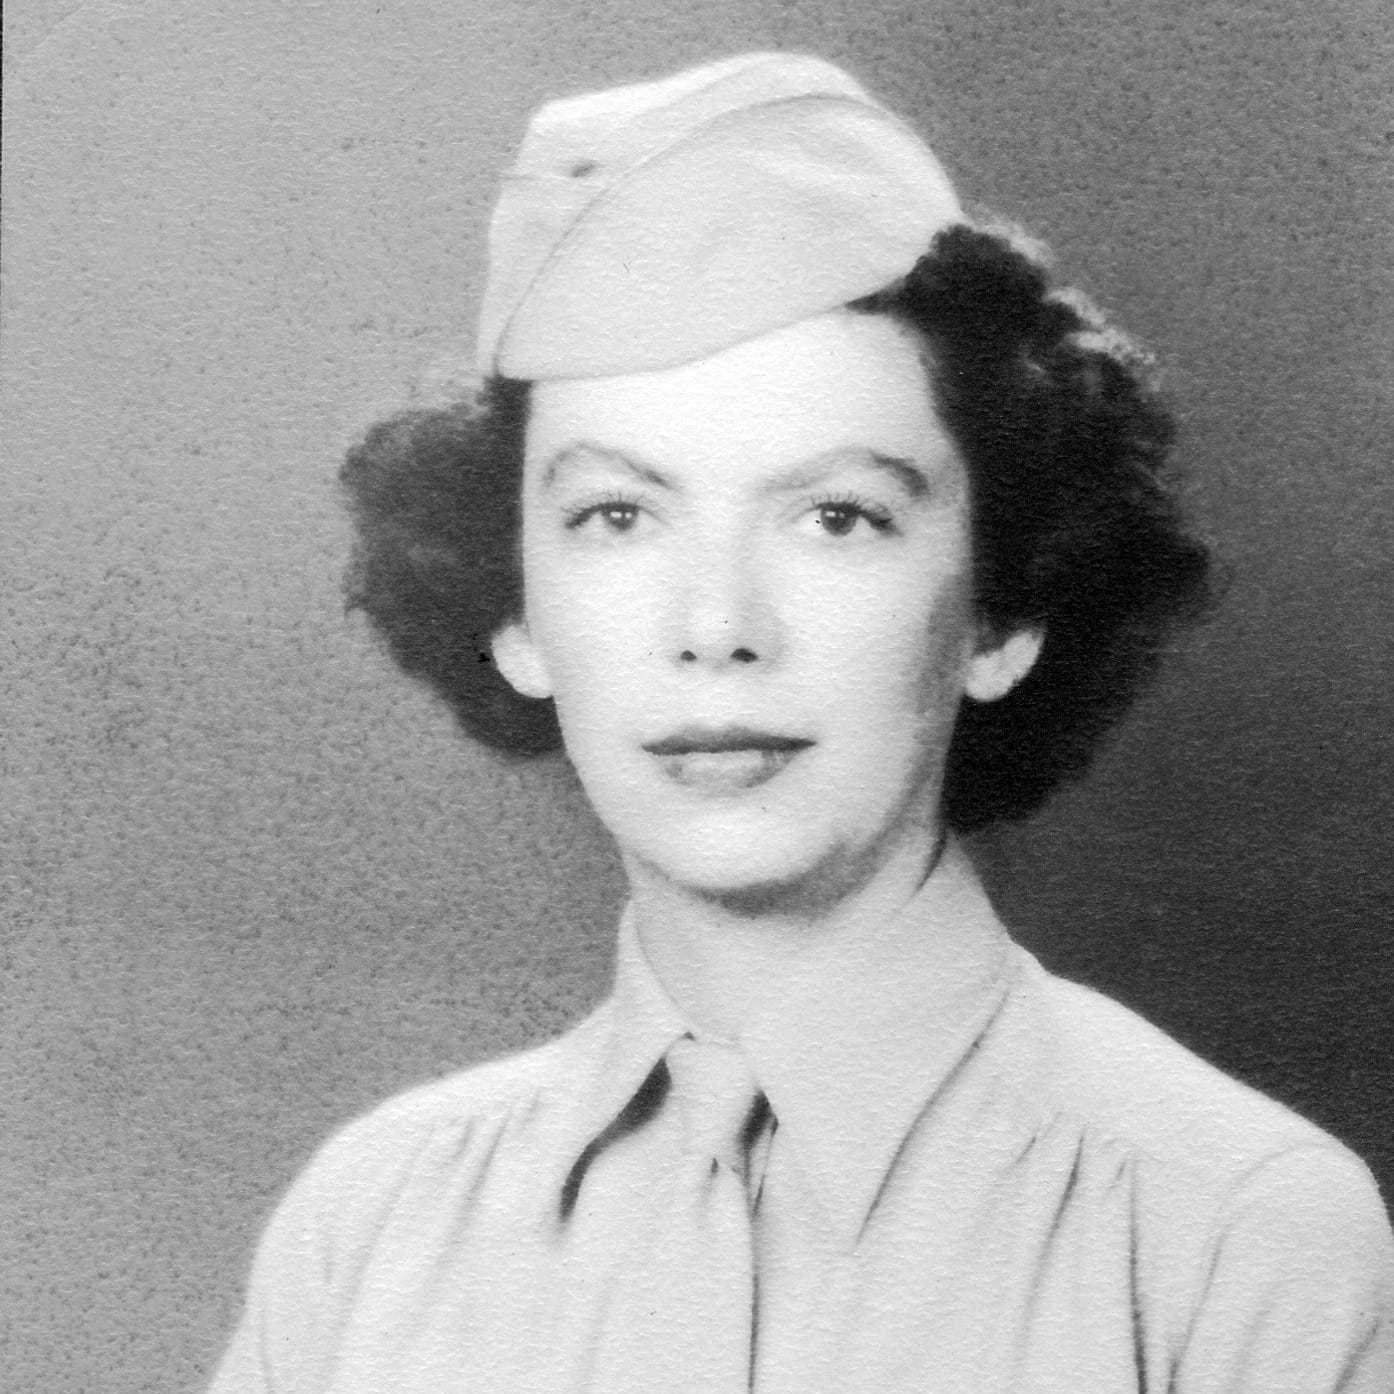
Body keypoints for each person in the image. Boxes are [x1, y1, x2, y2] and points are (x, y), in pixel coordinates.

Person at [209, 52, 1394, 1393]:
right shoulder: (367, 1232)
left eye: (837, 516)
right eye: (615, 515)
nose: (716, 625)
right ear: (514, 610)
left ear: (1002, 609)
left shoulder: (1235, 1241)